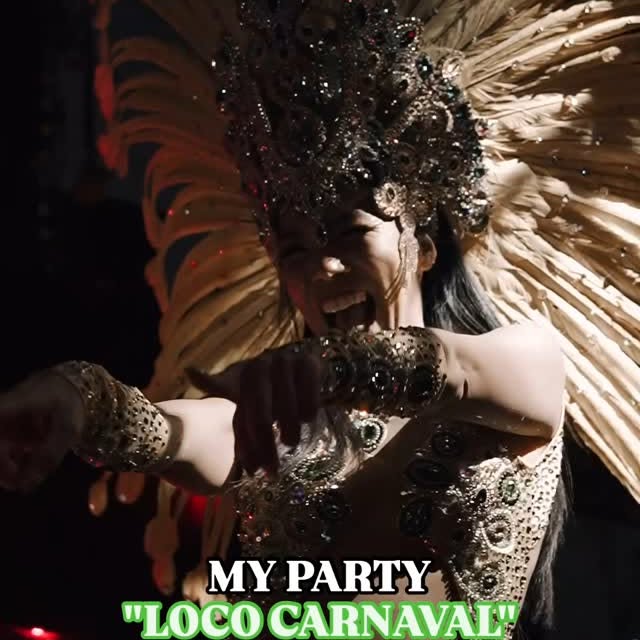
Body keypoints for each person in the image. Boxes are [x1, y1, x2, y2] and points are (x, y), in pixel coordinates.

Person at [1, 1, 639, 639]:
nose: (323, 268)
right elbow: (177, 434)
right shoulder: (279, 423)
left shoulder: (521, 359)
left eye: (350, 232)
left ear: (424, 243)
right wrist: (81, 400)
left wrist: (327, 366)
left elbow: (453, 367)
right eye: (294, 249)